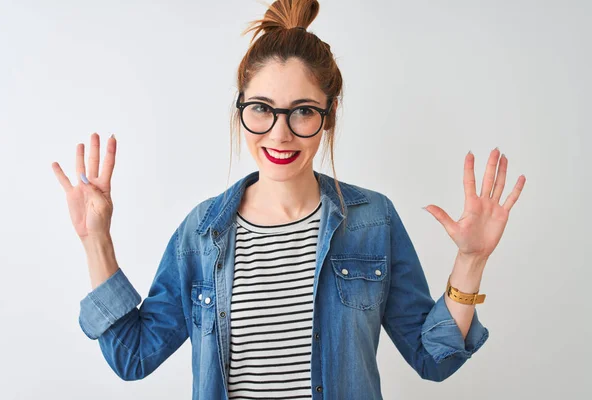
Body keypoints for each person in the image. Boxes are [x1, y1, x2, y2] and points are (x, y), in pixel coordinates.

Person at [51, 0, 526, 399]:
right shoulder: (201, 234)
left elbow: (434, 359)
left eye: (302, 111)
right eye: (261, 108)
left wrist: (471, 260)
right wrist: (96, 241)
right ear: (241, 111)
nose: (280, 133)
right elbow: (133, 356)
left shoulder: (372, 222)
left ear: (329, 115)